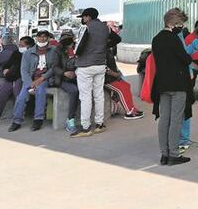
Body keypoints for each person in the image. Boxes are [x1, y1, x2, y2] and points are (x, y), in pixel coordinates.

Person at [150, 8, 193, 165]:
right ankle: (174, 154)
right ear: (170, 23)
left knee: (164, 119)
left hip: (162, 83)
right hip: (178, 83)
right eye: (179, 24)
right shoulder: (174, 39)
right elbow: (185, 58)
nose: (181, 27)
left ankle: (164, 154)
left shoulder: (156, 39)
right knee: (176, 120)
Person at [72, 7, 115, 138]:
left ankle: (86, 128)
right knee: (98, 94)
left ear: (88, 17)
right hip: (100, 64)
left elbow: (78, 48)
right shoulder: (105, 28)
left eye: (84, 17)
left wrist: (75, 53)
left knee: (85, 96)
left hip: (85, 65)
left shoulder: (86, 28)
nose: (83, 20)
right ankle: (99, 124)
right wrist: (103, 47)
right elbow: (116, 39)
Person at [8, 30, 60, 132]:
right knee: (21, 97)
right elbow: (24, 70)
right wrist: (30, 83)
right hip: (30, 80)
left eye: (45, 37)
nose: (42, 39)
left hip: (45, 78)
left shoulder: (54, 51)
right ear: (36, 38)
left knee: (40, 92)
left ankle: (38, 119)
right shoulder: (28, 53)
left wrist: (41, 78)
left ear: (48, 38)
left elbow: (54, 68)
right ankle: (16, 121)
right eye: (40, 37)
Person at [0, 36, 28, 129]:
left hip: (21, 78)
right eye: (19, 45)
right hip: (10, 77)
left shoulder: (31, 54)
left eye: (22, 45)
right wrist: (6, 69)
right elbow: (9, 64)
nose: (20, 46)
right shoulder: (16, 53)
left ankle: (17, 121)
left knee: (19, 98)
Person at [105, 52, 144, 119]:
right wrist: (115, 74)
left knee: (126, 85)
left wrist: (117, 72)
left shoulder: (107, 48)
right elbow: (103, 67)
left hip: (111, 77)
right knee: (122, 89)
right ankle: (129, 112)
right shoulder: (100, 49)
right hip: (106, 79)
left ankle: (131, 108)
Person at [56, 31, 82, 134]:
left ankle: (86, 119)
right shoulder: (58, 51)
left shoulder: (77, 49)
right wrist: (64, 73)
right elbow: (54, 67)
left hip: (77, 77)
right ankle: (70, 119)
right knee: (74, 91)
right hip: (62, 79)